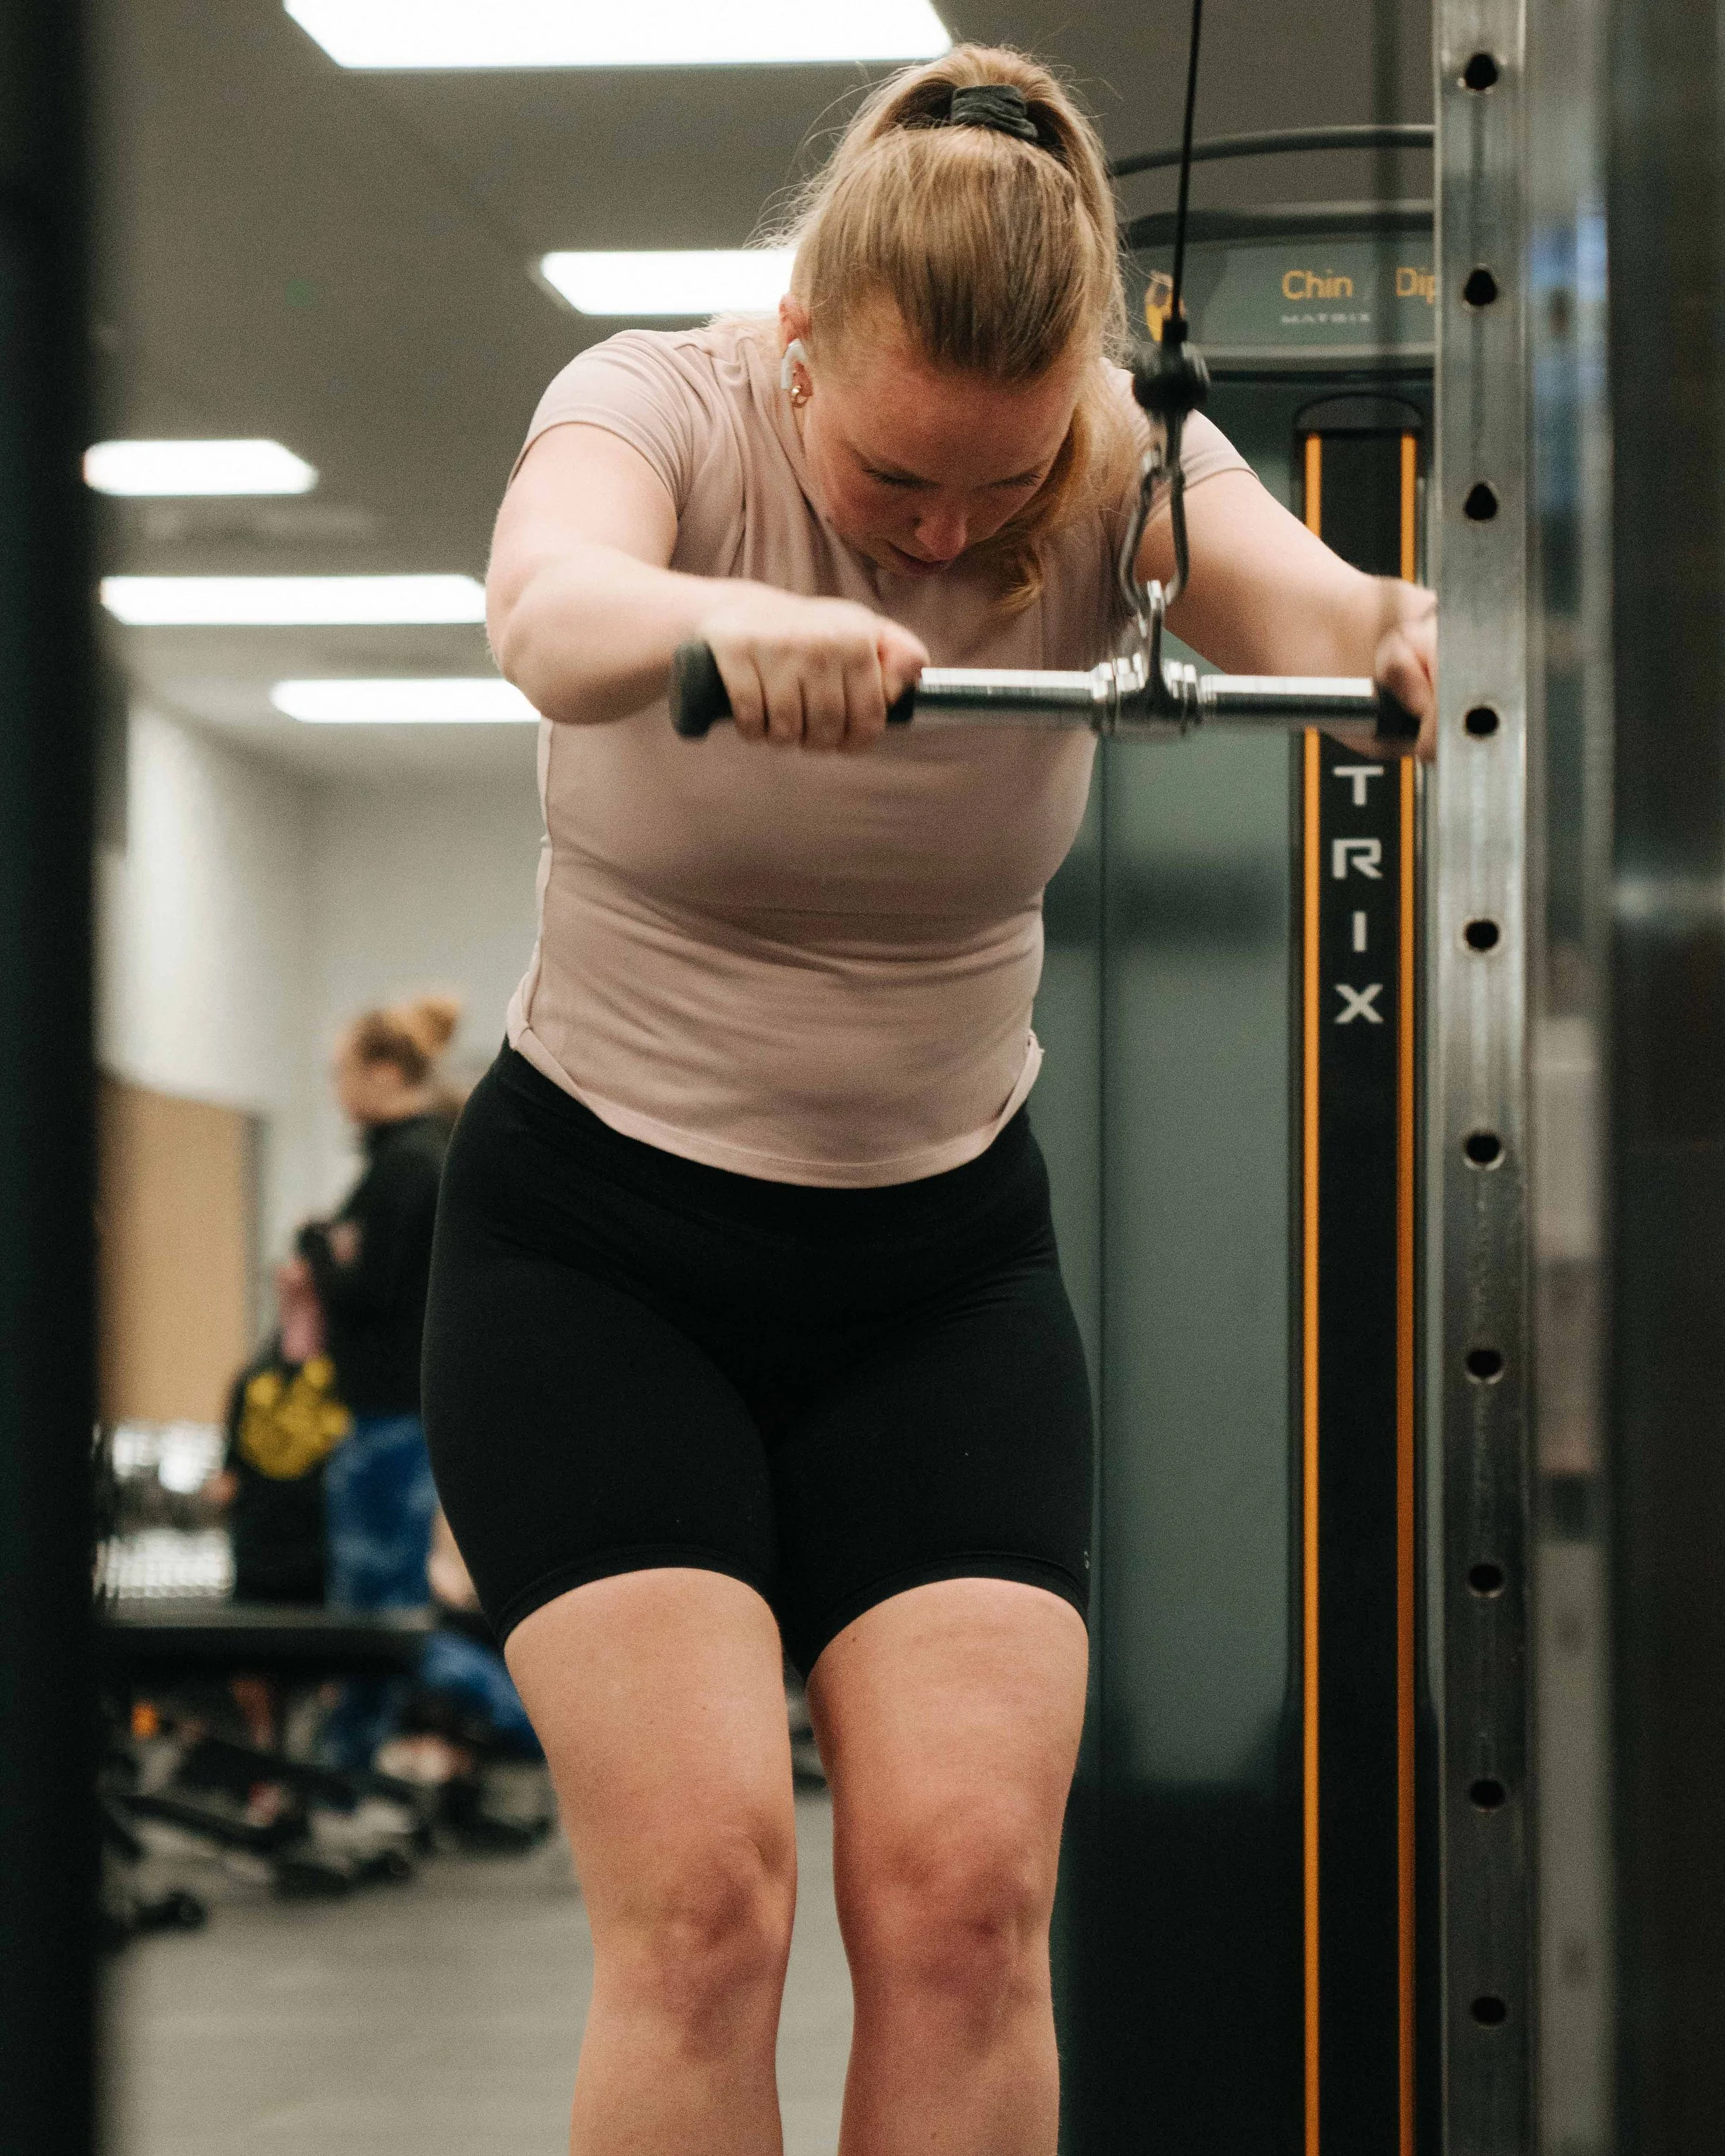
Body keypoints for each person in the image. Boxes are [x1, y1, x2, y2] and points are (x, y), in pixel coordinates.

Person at [425, 46, 1436, 2156]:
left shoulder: (1118, 448)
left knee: (967, 1906)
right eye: (896, 486)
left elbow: (1325, 619)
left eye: (1000, 486)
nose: (950, 532)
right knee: (704, 1907)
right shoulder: (663, 403)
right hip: (597, 1258)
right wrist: (730, 610)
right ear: (799, 342)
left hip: (933, 1271)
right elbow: (546, 610)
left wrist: (1413, 644)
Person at [299, 993, 458, 1769]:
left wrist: (316, 1252)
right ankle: (348, 1774)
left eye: (341, 1073)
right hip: (389, 1417)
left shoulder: (408, 1166)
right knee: (376, 1612)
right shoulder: (412, 1160)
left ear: (385, 1071)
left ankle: (346, 1781)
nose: (336, 1090)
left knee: (378, 1620)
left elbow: (374, 1292)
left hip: (390, 1422)